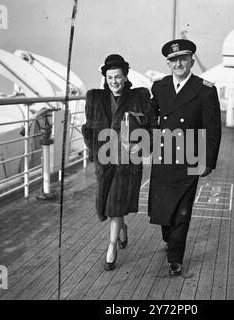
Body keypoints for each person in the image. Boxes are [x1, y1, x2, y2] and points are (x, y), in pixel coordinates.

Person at [148, 39, 221, 276]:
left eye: (183, 58)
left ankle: (175, 258)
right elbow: (151, 115)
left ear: (191, 60)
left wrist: (207, 162)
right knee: (162, 209)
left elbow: (213, 128)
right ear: (168, 63)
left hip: (189, 155)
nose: (178, 63)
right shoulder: (159, 87)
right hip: (163, 154)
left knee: (182, 211)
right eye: (173, 60)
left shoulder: (205, 89)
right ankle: (170, 241)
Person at [81, 54, 157, 271]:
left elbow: (151, 126)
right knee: (109, 205)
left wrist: (141, 146)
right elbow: (87, 129)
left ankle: (111, 248)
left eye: (118, 77)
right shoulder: (94, 98)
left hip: (128, 161)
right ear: (105, 77)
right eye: (110, 77)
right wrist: (95, 151)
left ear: (126, 77)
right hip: (105, 161)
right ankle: (122, 229)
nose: (114, 81)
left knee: (115, 203)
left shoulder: (140, 96)